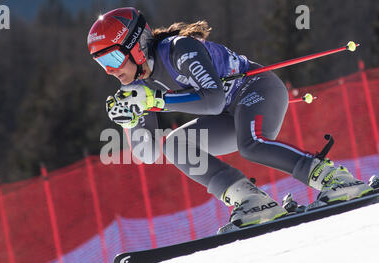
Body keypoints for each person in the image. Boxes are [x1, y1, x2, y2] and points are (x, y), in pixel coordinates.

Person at [87, 7, 373, 234]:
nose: (110, 71)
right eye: (101, 64)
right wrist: (128, 121)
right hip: (227, 113)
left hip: (257, 89)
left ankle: (336, 179)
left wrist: (156, 101)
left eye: (112, 59)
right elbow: (147, 153)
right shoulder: (137, 87)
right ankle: (252, 201)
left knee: (251, 144)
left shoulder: (179, 50)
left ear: (135, 46)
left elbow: (212, 100)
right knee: (176, 146)